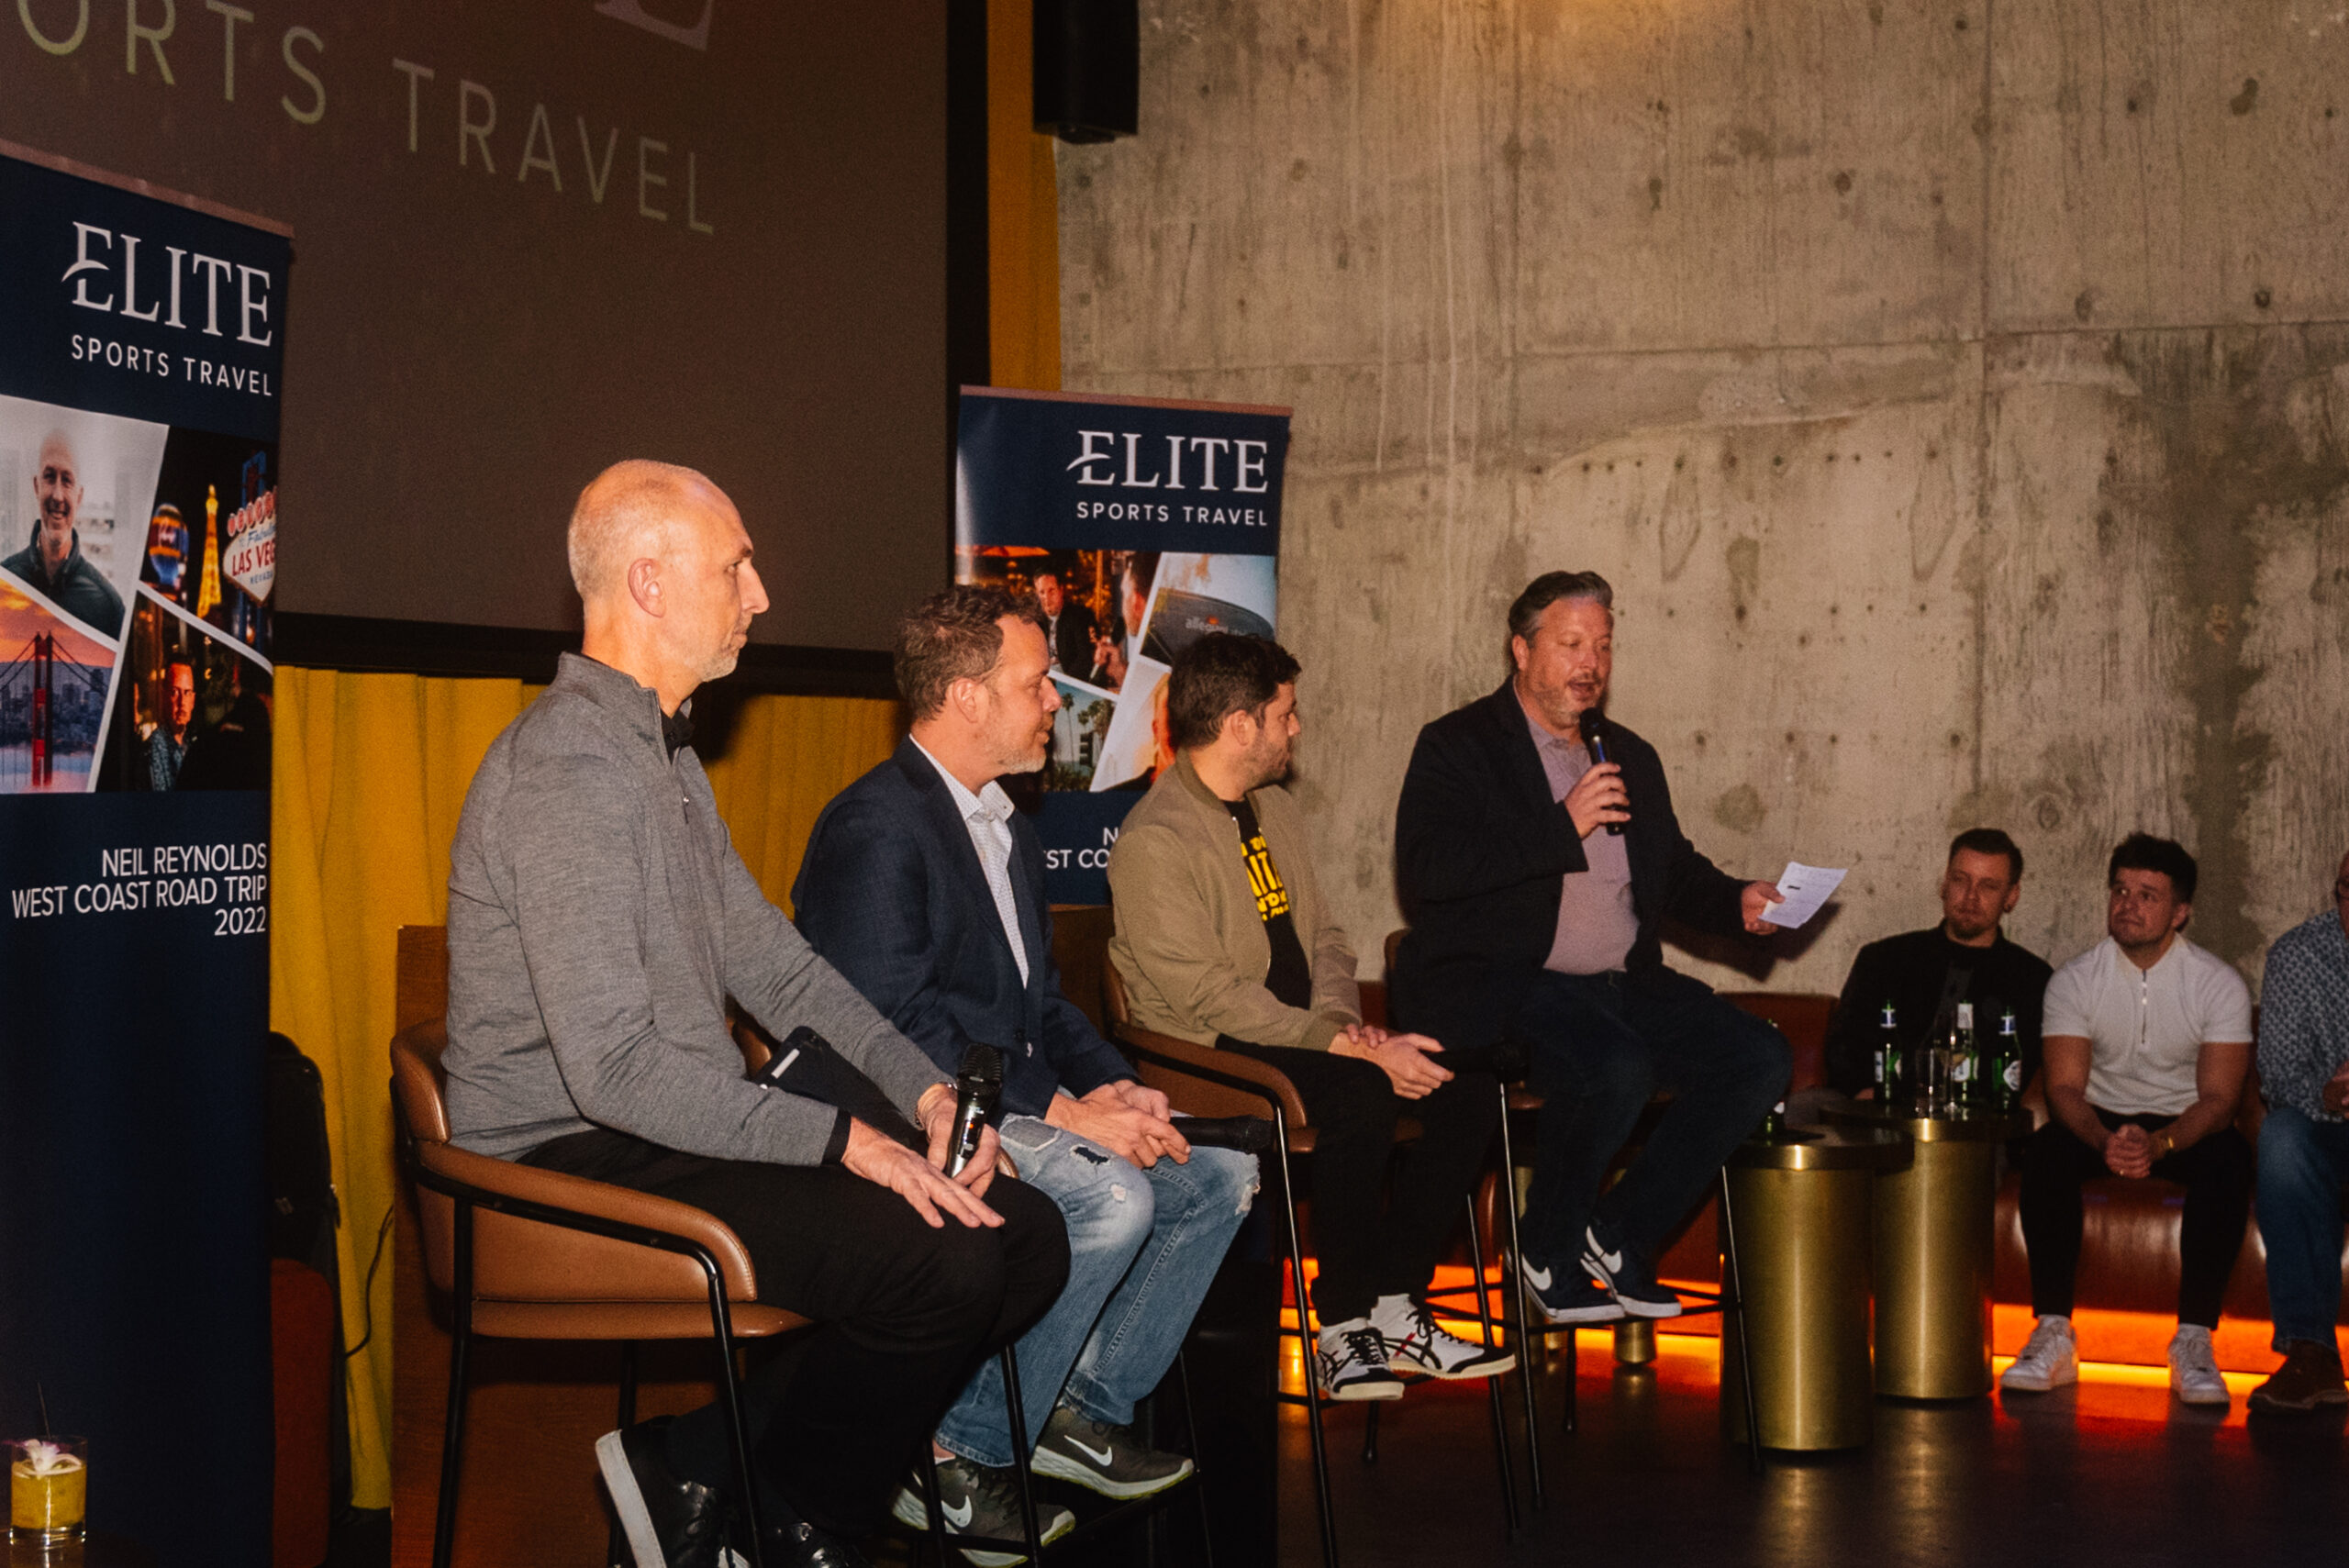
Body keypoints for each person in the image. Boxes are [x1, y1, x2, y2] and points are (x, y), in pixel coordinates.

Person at [440, 462, 1070, 1568]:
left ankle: (706, 1463)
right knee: (946, 1263)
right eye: (735, 566)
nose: (761, 593)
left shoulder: (663, 754)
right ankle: (799, 1515)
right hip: (562, 1161)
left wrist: (921, 1091)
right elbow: (614, 1072)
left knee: (1023, 1235)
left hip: (654, 1129)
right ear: (648, 583)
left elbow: (783, 970)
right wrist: (849, 1139)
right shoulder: (568, 766)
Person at [793, 585, 1255, 1558]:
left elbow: (1043, 1005)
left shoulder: (1007, 824)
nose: (1057, 700)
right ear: (966, 696)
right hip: (916, 1117)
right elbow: (896, 1026)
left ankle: (1073, 1405)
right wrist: (1067, 1114)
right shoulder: (874, 825)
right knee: (1112, 1199)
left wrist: (1114, 1084)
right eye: (1037, 680)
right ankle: (954, 1452)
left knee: (1220, 1176)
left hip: (1007, 1094)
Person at [1108, 632, 1511, 1398]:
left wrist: (1343, 1024)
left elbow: (1327, 937)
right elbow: (1210, 997)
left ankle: (1393, 1303)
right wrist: (1342, 1047)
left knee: (1462, 1089)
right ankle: (1342, 1326)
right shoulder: (1155, 840)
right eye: (1285, 714)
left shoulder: (1276, 810)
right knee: (1361, 1093)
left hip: (1300, 1036)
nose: (1296, 728)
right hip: (1210, 1053)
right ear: (1240, 725)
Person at [1391, 570, 1791, 1327]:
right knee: (1616, 1066)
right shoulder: (1459, 745)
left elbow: (1672, 870)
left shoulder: (1627, 752)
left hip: (1624, 983)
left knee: (1759, 1057)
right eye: (1572, 644)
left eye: (1603, 646)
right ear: (1521, 650)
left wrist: (1736, 900)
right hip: (1515, 984)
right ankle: (1544, 1248)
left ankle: (1616, 1230)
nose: (1592, 663)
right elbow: (1429, 871)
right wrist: (1560, 825)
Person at [2002, 833, 2254, 1407]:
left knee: (2230, 1159)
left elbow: (2220, 1100)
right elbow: (2064, 1088)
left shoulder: (2218, 983)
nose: (2127, 905)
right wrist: (2102, 1139)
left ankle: (2194, 1340)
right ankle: (2053, 1331)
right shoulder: (2074, 979)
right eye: (2119, 891)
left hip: (2185, 1121)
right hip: (2099, 1116)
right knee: (2046, 1152)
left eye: (2147, 895)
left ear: (2180, 912)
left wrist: (2161, 1143)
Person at [1821, 828, 2053, 1100]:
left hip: (1973, 1119)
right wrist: (1869, 1094)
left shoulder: (2030, 979)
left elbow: (2012, 1073)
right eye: (1960, 880)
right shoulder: (1884, 959)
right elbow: (1844, 1048)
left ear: (2011, 896)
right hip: (1877, 1110)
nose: (1970, 896)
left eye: (1988, 886)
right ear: (1944, 884)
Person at [2246, 847, 2349, 1414]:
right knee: (2282, 1137)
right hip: (2330, 1130)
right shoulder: (2299, 955)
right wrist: (2330, 1096)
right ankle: (2312, 1352)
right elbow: (2281, 1080)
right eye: (2348, 891)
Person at [4, 431, 125, 639]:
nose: (58, 496)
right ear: (36, 487)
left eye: (67, 480)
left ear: (79, 496)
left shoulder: (108, 607)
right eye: (50, 477)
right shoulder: (4, 581)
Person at [1031, 562, 1097, 681]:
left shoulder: (1081, 616)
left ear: (1061, 590)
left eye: (1051, 591)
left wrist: (1065, 682)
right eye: (1042, 592)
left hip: (1070, 682)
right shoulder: (1034, 622)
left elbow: (1086, 658)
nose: (1047, 598)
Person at [140, 659, 195, 792]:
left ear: (193, 700)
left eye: (187, 692)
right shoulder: (154, 749)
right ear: (164, 697)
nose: (182, 702)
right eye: (175, 692)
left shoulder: (192, 743)